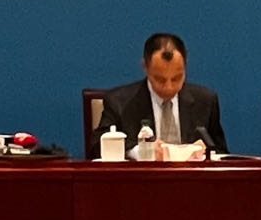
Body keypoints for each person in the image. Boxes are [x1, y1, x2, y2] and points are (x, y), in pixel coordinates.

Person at [93, 31, 228, 156]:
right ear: (145, 67)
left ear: (185, 67)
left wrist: (205, 152)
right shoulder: (119, 102)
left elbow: (221, 153)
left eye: (176, 78)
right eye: (160, 79)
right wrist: (139, 151)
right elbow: (96, 148)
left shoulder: (205, 101)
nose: (169, 87)